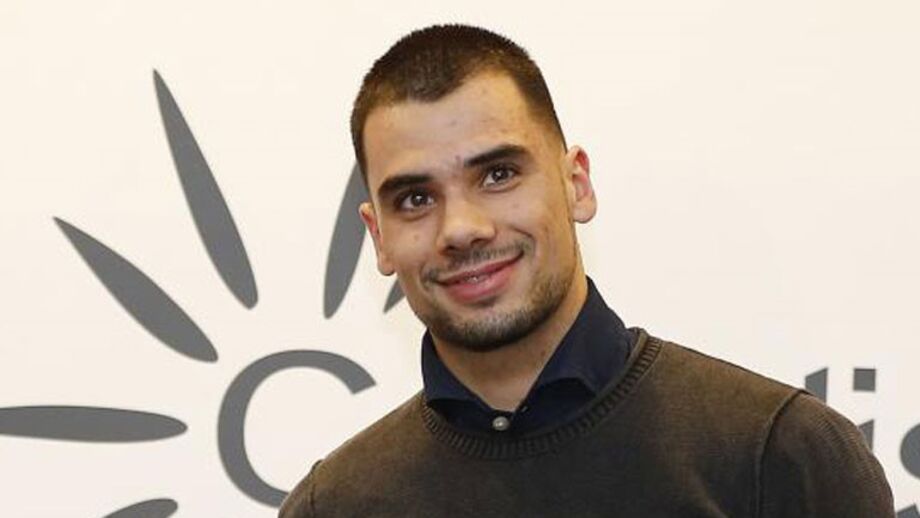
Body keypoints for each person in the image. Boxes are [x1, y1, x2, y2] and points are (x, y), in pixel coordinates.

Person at [280, 24, 894, 517]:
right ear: (378, 237)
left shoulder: (777, 455)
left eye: (498, 175)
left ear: (577, 183)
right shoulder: (333, 506)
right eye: (415, 198)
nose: (461, 228)